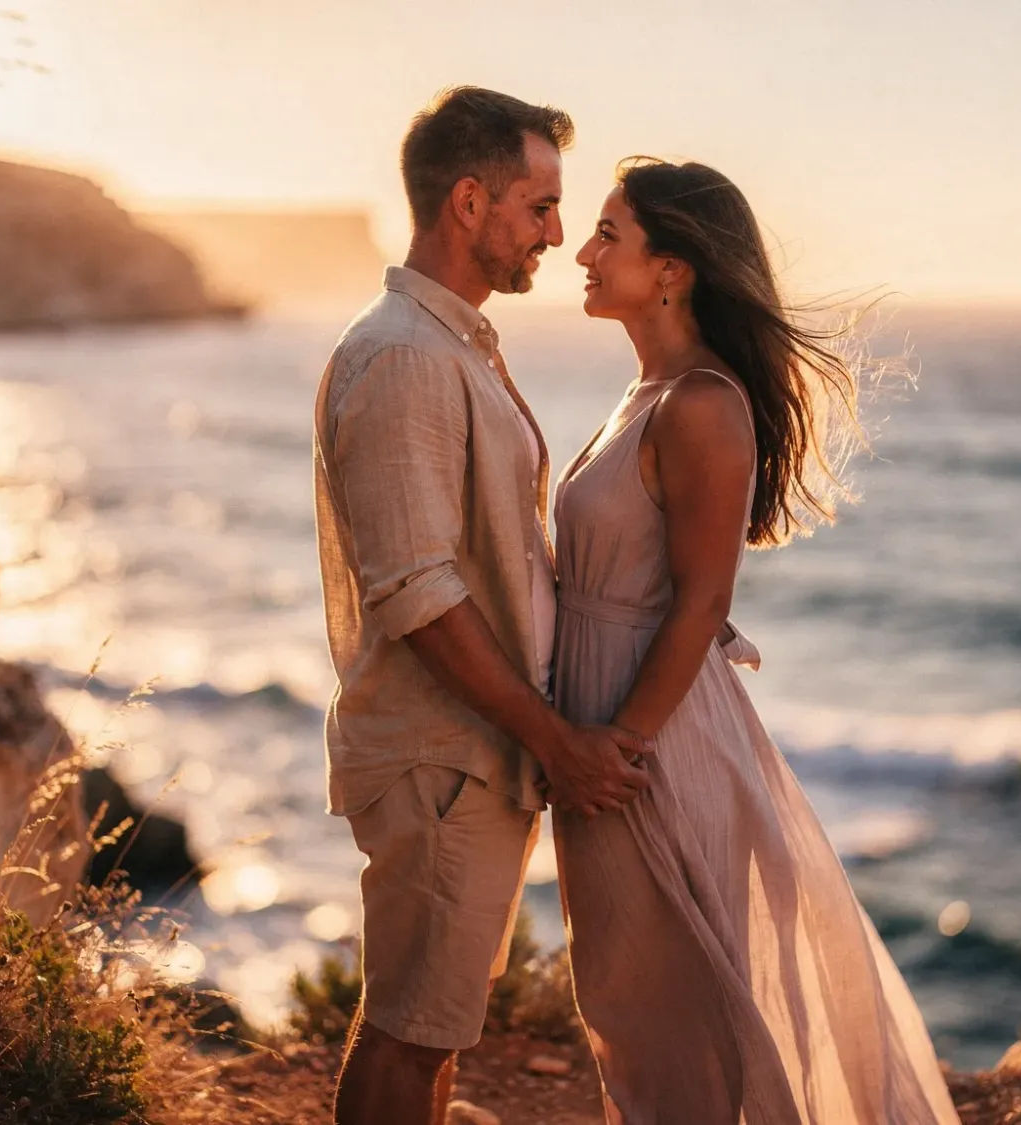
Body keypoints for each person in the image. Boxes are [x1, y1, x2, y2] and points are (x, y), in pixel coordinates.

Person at [552, 157, 964, 1124]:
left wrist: (617, 746)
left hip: (649, 746)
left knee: (673, 1024)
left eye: (610, 233)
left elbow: (701, 603)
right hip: (604, 732)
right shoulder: (646, 392)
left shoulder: (701, 402)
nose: (583, 249)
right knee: (627, 1008)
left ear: (672, 268)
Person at [311, 87, 651, 1125]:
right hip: (440, 760)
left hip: (465, 756)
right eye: (538, 206)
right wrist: (552, 735)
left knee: (434, 1025)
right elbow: (418, 594)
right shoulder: (408, 357)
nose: (557, 234)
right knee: (409, 1036)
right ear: (469, 203)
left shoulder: (448, 342)